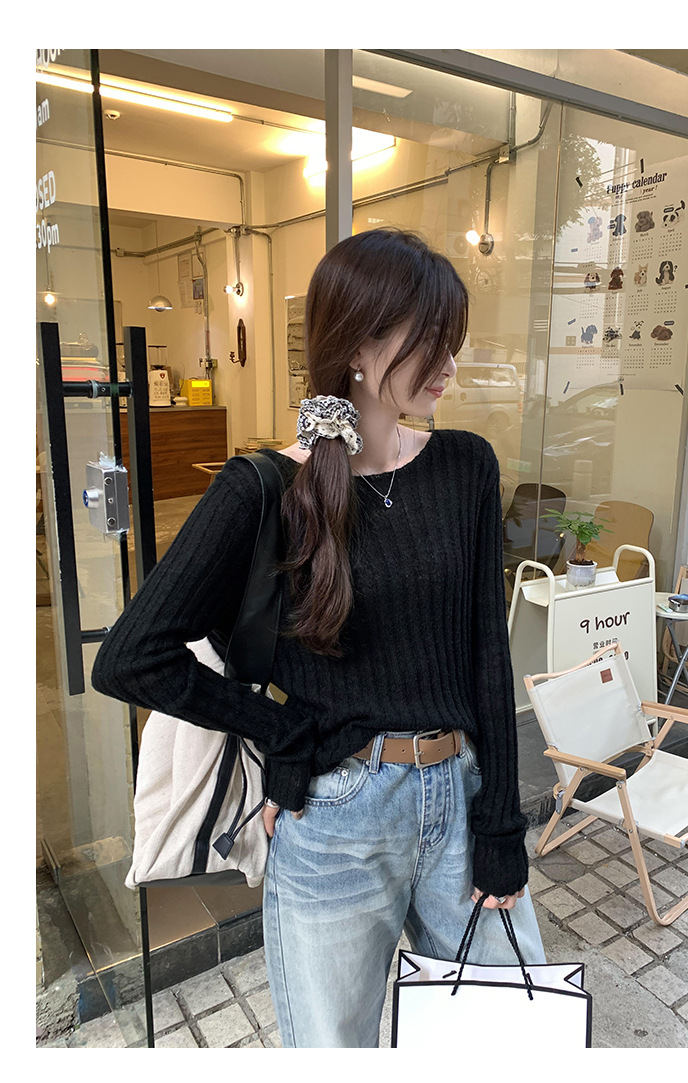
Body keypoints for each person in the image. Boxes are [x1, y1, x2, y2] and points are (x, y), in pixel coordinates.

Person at [91, 227, 545, 1048]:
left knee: (507, 1039)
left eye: (454, 338)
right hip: (336, 815)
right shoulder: (266, 488)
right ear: (361, 347)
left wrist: (501, 825)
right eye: (433, 339)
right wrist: (280, 728)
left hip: (462, 796)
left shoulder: (466, 467)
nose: (451, 362)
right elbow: (132, 656)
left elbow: (488, 649)